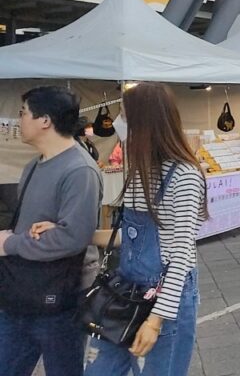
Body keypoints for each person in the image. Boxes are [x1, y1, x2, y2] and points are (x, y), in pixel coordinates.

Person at [45, 83, 204, 376]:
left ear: (145, 122)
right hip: (125, 291)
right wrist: (68, 233)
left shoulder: (184, 176)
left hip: (164, 300)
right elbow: (131, 238)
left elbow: (181, 256)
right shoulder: (141, 170)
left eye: (124, 115)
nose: (118, 123)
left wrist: (155, 321)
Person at [0, 87, 101, 376]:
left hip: (60, 298)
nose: (19, 120)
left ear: (45, 120)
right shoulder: (34, 165)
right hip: (20, 292)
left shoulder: (80, 170)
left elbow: (72, 238)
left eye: (23, 113)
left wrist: (10, 244)